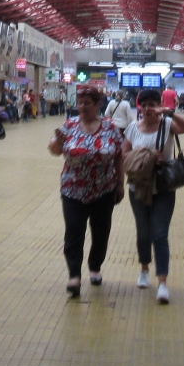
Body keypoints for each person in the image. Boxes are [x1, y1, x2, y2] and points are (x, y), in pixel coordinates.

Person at [49, 87, 125, 297]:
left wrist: (120, 183)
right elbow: (54, 151)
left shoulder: (110, 127)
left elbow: (118, 156)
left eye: (87, 103)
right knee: (74, 232)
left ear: (97, 105)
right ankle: (74, 275)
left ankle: (95, 266)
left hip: (104, 189)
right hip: (73, 189)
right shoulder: (69, 125)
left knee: (101, 233)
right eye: (80, 103)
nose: (82, 107)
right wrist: (58, 141)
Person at [123, 86, 184, 304]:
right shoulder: (133, 128)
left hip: (163, 189)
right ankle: (144, 269)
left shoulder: (168, 125)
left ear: (159, 105)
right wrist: (148, 156)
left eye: (152, 105)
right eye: (143, 105)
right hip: (138, 188)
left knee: (159, 234)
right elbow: (124, 155)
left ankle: (162, 283)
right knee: (143, 233)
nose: (147, 109)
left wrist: (168, 112)